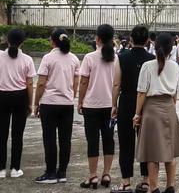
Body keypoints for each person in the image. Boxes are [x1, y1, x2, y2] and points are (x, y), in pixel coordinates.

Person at [135, 33, 179, 193]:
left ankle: (154, 187)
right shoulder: (175, 66)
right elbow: (176, 91)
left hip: (151, 109)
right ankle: (170, 186)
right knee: (170, 152)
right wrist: (172, 106)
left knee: (152, 153)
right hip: (169, 107)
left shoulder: (148, 66)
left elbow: (142, 92)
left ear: (155, 47)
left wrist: (137, 114)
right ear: (171, 49)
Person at [111, 25, 154, 193]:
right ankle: (145, 181)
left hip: (127, 101)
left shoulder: (122, 57)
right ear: (147, 40)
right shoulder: (152, 59)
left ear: (130, 39)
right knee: (145, 144)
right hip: (146, 103)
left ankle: (125, 182)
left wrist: (114, 104)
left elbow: (116, 84)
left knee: (126, 142)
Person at [33, 28, 80, 184]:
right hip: (67, 104)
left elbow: (40, 84)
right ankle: (62, 172)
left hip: (49, 103)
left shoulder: (48, 58)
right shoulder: (73, 58)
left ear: (52, 41)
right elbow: (76, 82)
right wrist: (70, 97)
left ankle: (50, 173)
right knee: (65, 139)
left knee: (49, 139)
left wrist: (36, 102)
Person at [78, 24, 117, 189]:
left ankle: (93, 176)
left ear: (97, 39)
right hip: (110, 106)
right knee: (109, 140)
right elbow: (118, 84)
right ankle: (106, 174)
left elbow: (84, 82)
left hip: (91, 106)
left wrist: (80, 101)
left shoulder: (89, 57)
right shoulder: (117, 58)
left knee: (92, 140)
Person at [0, 28, 35, 179]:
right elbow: (29, 84)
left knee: (1, 134)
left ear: (7, 40)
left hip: (2, 96)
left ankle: (1, 169)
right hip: (20, 97)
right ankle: (15, 168)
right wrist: (30, 104)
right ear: (22, 42)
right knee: (17, 134)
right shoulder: (27, 59)